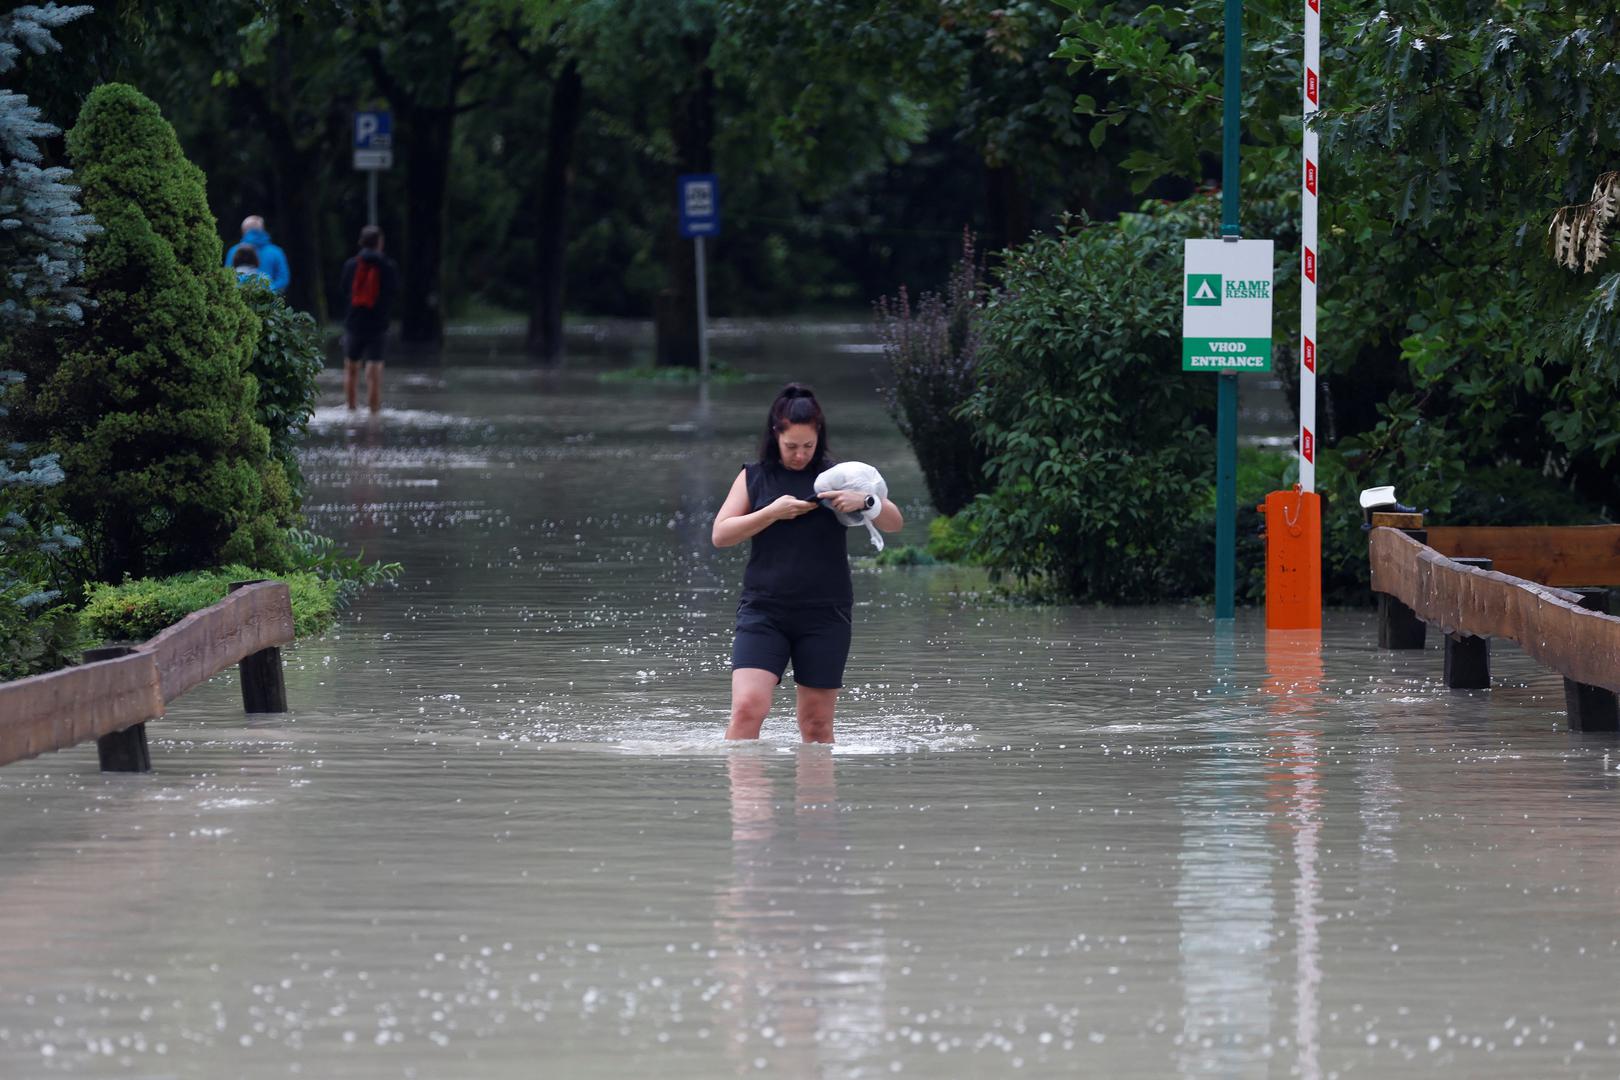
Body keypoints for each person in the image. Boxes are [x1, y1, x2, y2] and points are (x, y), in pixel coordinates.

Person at [711, 383, 904, 743]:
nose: (800, 455)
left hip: (825, 615)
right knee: (747, 708)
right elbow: (721, 535)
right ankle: (746, 800)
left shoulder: (839, 477)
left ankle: (816, 801)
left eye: (808, 447)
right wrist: (771, 512)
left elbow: (894, 523)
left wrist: (865, 501)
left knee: (817, 726)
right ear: (775, 436)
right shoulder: (754, 476)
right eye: (791, 447)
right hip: (763, 611)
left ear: (820, 438)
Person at [339, 224, 400, 413]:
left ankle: (351, 409)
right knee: (374, 371)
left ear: (361, 242)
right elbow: (394, 291)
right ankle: (374, 414)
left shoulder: (351, 265)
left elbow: (344, 289)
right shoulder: (388, 266)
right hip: (378, 325)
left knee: (351, 367)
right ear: (380, 243)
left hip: (354, 322)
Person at [223, 215, 290, 293]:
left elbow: (227, 278)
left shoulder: (234, 250)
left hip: (238, 302)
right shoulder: (276, 251)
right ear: (262, 229)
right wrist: (268, 293)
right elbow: (283, 279)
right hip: (267, 302)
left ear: (243, 231)